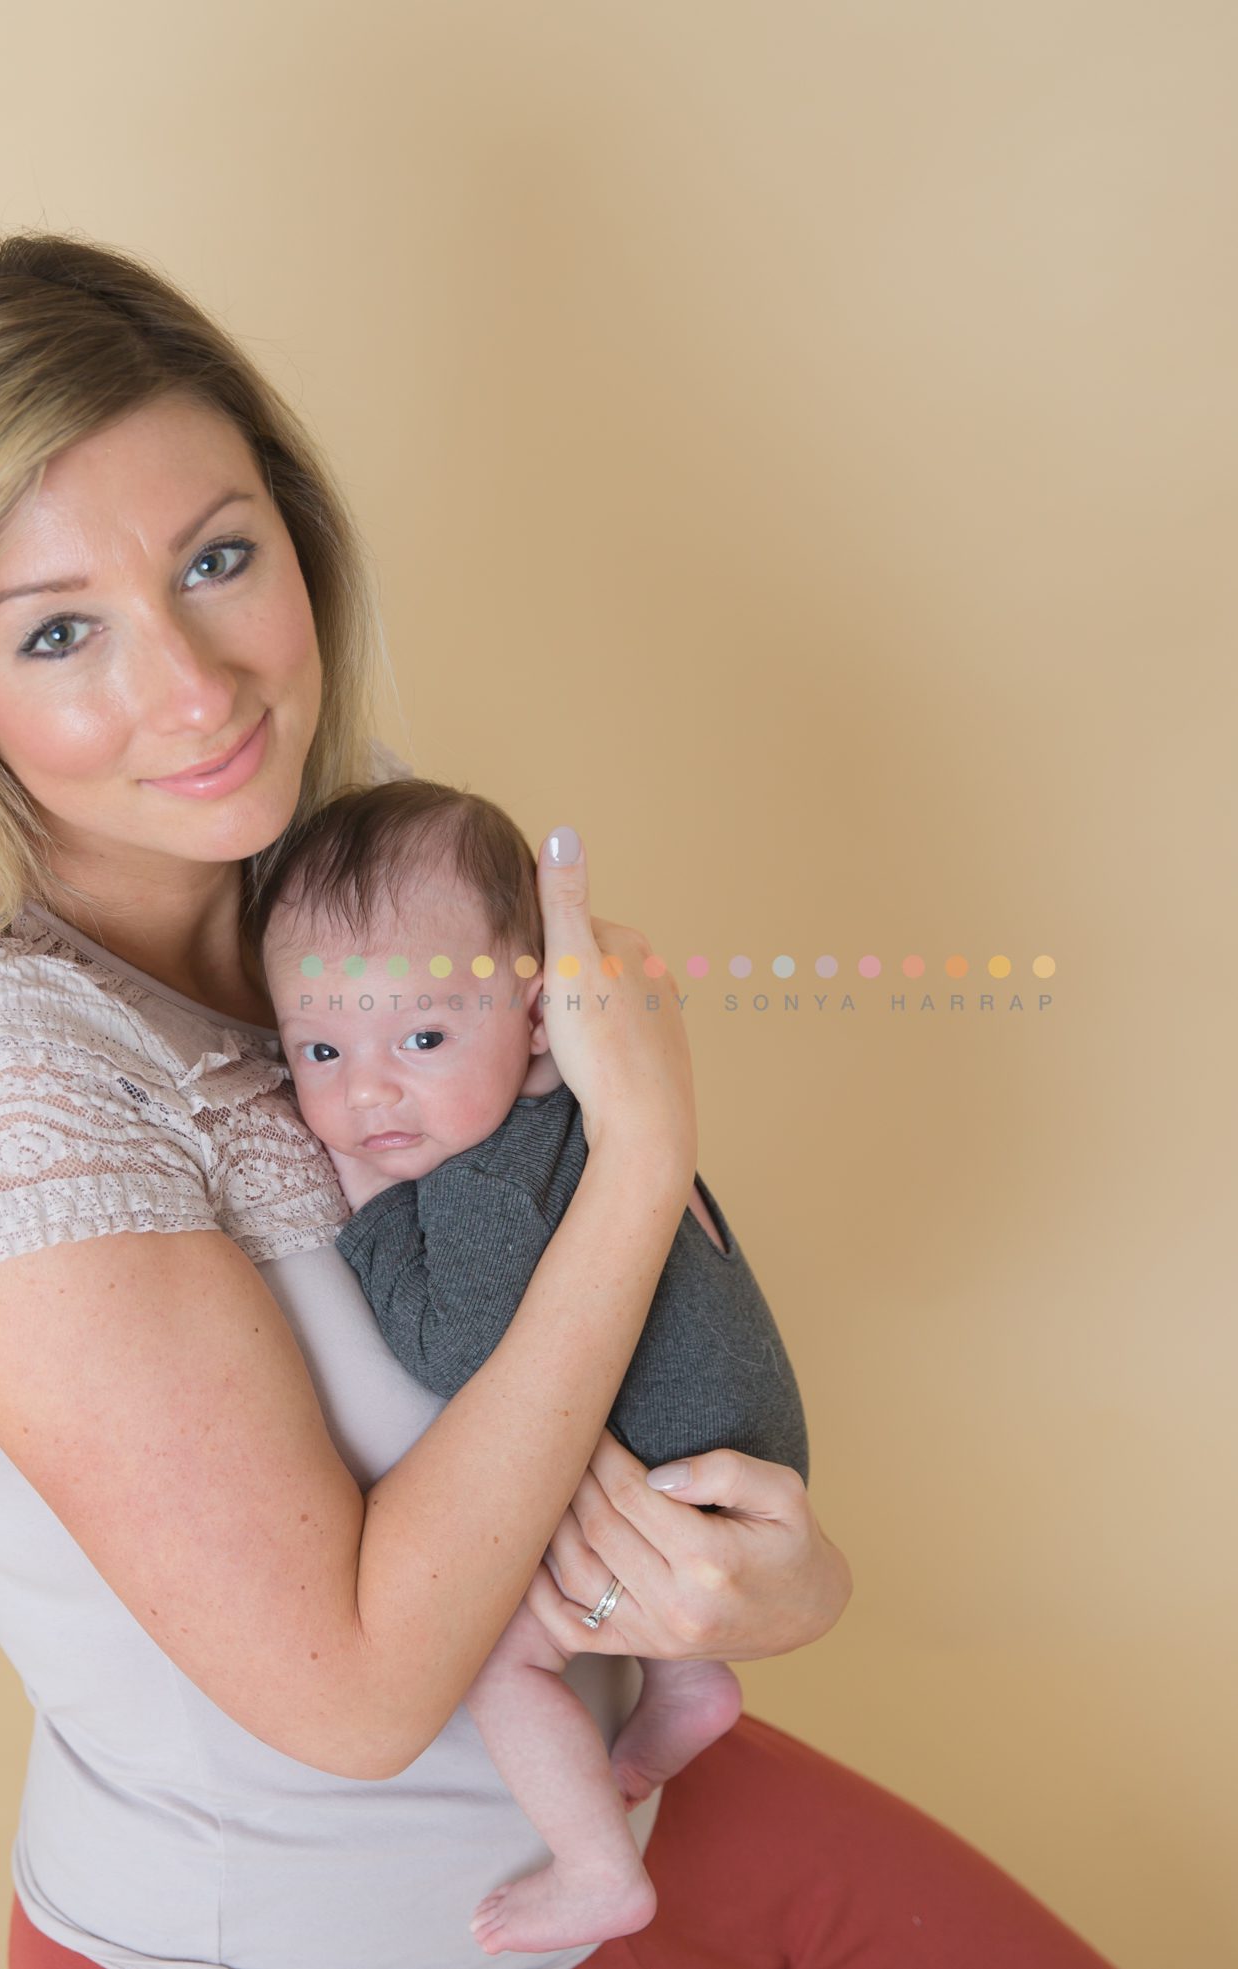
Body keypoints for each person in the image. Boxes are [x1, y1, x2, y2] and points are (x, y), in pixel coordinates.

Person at [0, 230, 1117, 1969]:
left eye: (220, 559)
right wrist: (643, 1157)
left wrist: (773, 1583)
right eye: (61, 630)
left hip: (620, 1789)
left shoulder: (335, 865)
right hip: (336, 1930)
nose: (195, 687)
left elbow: (620, 1317)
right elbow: (353, 1689)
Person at [249, 776, 808, 1954]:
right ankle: (685, 1686)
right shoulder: (557, 1112)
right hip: (737, 1436)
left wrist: (364, 1200)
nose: (367, 1090)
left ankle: (600, 1866)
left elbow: (456, 1351)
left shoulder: (492, 1181)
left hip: (690, 1461)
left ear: (539, 1022)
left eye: (423, 1036)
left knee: (501, 1659)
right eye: (319, 1046)